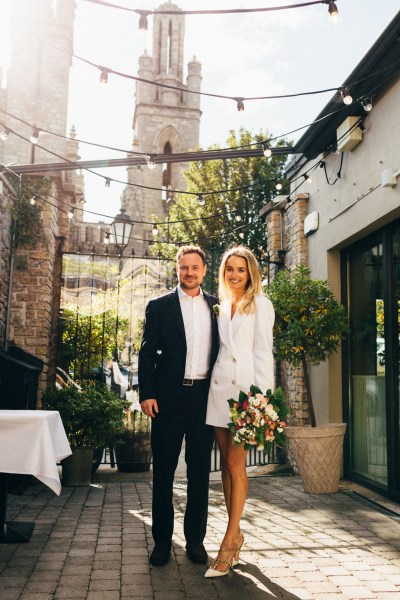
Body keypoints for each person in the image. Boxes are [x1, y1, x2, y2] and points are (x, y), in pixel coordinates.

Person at [138, 245, 219, 567]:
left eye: (194, 268)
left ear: (203, 271)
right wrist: (147, 393)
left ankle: (195, 541)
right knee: (164, 474)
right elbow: (146, 352)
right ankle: (161, 542)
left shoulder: (217, 306)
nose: (189, 273)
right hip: (168, 400)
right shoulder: (159, 306)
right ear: (177, 270)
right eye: (184, 267)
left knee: (200, 473)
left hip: (204, 399)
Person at [204, 245, 275, 577]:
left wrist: (263, 401)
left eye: (241, 270)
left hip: (247, 394)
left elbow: (264, 354)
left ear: (251, 274)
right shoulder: (222, 305)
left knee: (236, 465)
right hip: (219, 391)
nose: (234, 274)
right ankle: (237, 534)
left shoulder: (261, 304)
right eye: (229, 269)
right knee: (226, 468)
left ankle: (229, 541)